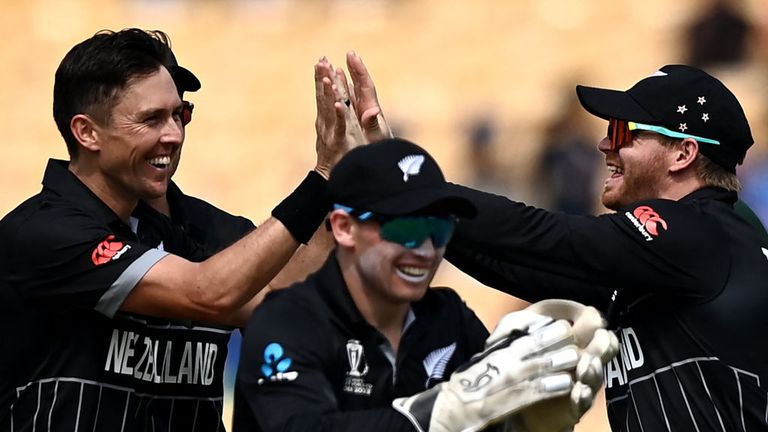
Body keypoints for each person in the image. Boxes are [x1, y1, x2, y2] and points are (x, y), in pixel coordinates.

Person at [0, 28, 354, 430]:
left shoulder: (207, 228)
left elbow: (289, 303)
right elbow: (209, 293)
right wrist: (321, 176)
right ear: (87, 132)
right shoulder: (43, 233)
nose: (174, 135)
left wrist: (346, 179)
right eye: (151, 120)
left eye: (180, 115)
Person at [438, 65, 768, 431]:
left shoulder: (696, 232)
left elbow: (540, 236)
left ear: (683, 153)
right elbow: (520, 261)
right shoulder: (682, 258)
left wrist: (414, 190)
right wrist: (413, 219)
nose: (605, 144)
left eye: (623, 131)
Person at [233, 138, 619, 432]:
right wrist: (437, 413)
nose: (427, 249)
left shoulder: (449, 317)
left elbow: (477, 414)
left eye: (439, 228)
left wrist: (526, 424)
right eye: (407, 228)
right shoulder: (285, 324)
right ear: (343, 228)